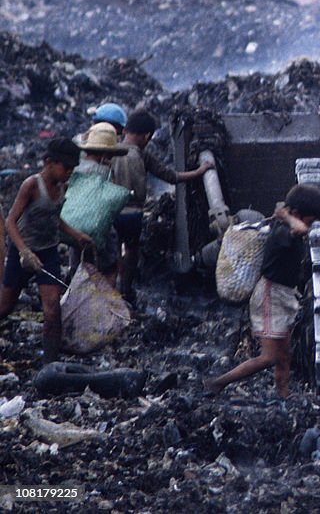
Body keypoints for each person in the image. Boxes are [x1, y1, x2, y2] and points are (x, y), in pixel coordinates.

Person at [206, 183, 320, 399]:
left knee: (284, 355)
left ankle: (283, 395)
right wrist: (287, 216)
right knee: (269, 357)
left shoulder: (286, 228)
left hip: (284, 295)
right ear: (296, 214)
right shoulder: (283, 231)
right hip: (270, 296)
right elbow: (301, 228)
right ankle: (218, 383)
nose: (311, 225)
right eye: (310, 219)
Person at [1, 138, 94, 362]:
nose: (69, 172)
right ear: (50, 162)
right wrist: (24, 252)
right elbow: (10, 222)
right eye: (66, 167)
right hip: (23, 251)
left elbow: (54, 217)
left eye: (73, 168)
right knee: (5, 306)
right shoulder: (31, 185)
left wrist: (76, 234)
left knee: (52, 309)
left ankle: (49, 365)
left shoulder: (63, 185)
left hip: (48, 250)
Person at [111, 109, 213, 301]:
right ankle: (126, 290)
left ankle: (112, 291)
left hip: (111, 212)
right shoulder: (142, 154)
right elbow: (171, 176)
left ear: (125, 131)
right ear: (147, 136)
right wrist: (200, 171)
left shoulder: (110, 152)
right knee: (132, 251)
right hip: (133, 213)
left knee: (114, 251)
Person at [68, 122, 129, 283]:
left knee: (79, 268)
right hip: (99, 230)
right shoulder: (104, 172)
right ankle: (105, 305)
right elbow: (112, 200)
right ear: (105, 152)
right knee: (109, 268)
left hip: (72, 229)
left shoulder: (75, 169)